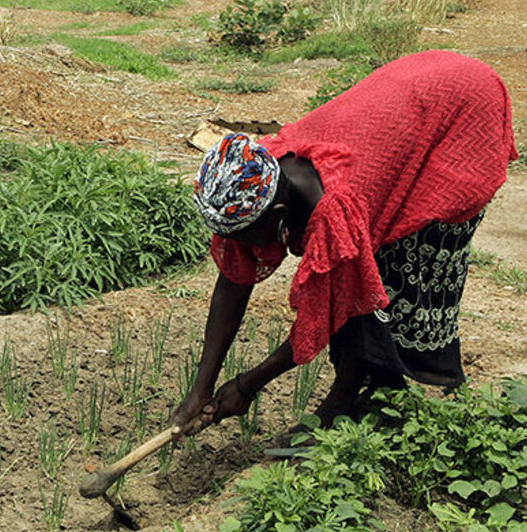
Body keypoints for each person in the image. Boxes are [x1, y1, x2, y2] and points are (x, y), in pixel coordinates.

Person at [173, 50, 518, 442]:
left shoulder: (332, 208)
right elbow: (232, 283)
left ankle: (344, 405)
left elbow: (333, 311)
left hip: (462, 111)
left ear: (279, 213)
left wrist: (247, 384)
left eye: (240, 238)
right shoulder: (257, 176)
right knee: (370, 266)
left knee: (397, 264)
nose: (234, 247)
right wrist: (201, 388)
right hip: (415, 88)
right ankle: (380, 385)